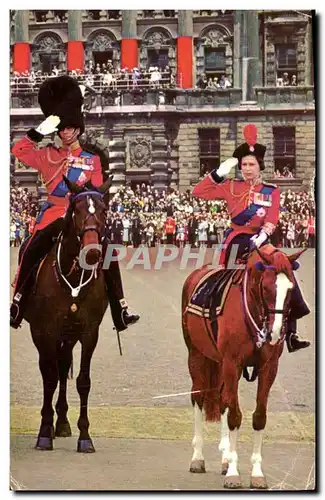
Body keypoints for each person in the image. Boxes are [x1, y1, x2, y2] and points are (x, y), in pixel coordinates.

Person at [10, 75, 139, 332]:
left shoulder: (92, 160)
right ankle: (17, 302)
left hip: (80, 215)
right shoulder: (47, 154)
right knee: (30, 248)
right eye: (62, 128)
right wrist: (39, 131)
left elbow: (97, 195)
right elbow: (18, 152)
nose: (66, 132)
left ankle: (120, 308)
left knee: (109, 252)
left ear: (78, 128)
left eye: (70, 127)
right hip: (54, 213)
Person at [192, 124, 310, 353]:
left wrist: (264, 234)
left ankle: (292, 332)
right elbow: (198, 192)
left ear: (260, 167)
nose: (247, 169)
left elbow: (273, 216)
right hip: (237, 240)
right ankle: (214, 315)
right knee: (226, 278)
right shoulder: (230, 187)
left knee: (284, 267)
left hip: (261, 240)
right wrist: (218, 173)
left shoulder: (270, 190)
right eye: (244, 164)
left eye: (251, 164)